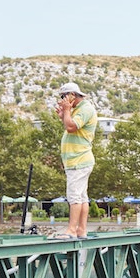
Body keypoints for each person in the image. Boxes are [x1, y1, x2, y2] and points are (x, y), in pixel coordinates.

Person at [54, 81, 98, 239]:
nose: (63, 100)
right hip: (76, 160)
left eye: (64, 96)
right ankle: (81, 230)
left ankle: (72, 230)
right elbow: (69, 126)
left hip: (78, 160)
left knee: (74, 196)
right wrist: (63, 115)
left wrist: (66, 111)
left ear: (72, 95)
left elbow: (71, 127)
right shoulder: (78, 109)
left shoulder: (85, 109)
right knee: (81, 196)